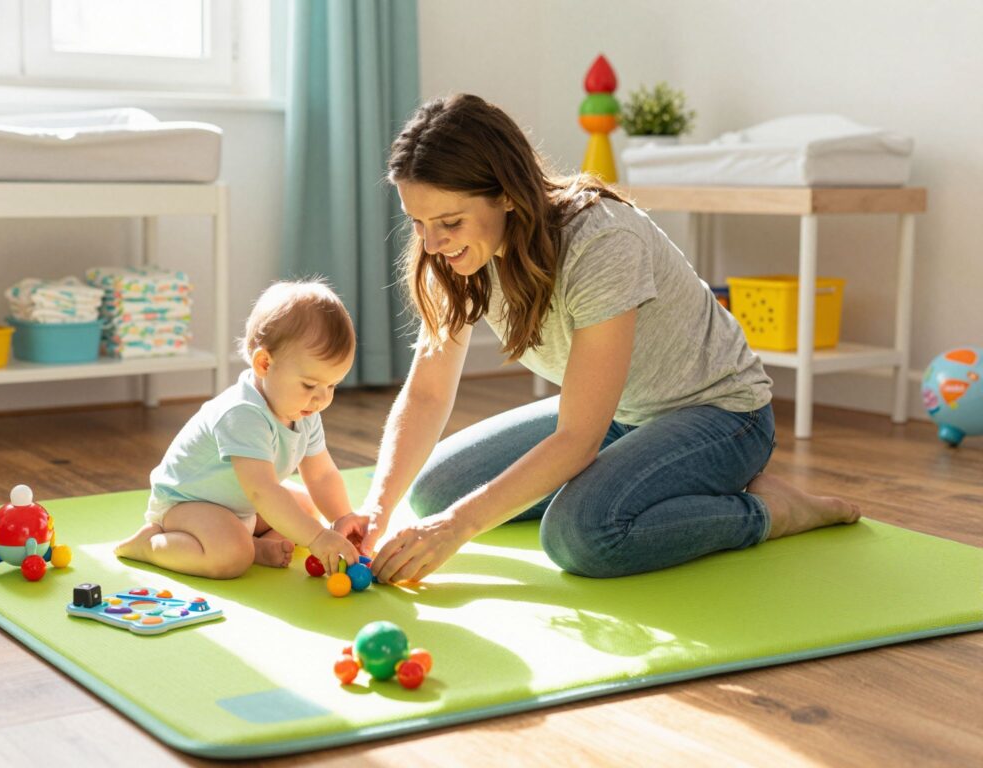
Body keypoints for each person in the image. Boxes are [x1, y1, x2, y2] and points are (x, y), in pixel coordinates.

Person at [359, 93, 860, 585]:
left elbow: (577, 439)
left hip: (723, 415)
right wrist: (376, 510)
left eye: (448, 222)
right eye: (417, 222)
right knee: (434, 493)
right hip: (621, 414)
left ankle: (769, 511)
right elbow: (427, 392)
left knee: (579, 535)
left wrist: (456, 529)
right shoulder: (452, 256)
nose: (430, 243)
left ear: (507, 193)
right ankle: (632, 480)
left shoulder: (600, 241)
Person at [115, 280, 363, 579]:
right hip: (189, 505)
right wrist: (317, 538)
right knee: (232, 557)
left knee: (307, 510)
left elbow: (321, 474)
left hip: (240, 504)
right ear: (264, 364)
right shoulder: (243, 413)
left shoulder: (305, 410)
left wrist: (342, 519)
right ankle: (150, 545)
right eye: (310, 384)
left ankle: (255, 547)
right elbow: (263, 490)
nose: (322, 398)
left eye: (332, 385)